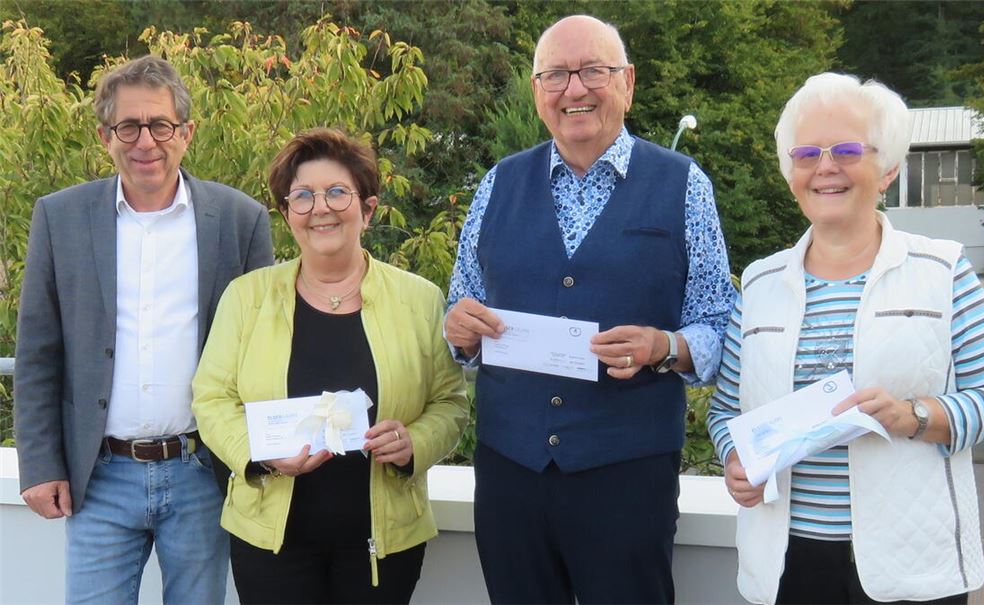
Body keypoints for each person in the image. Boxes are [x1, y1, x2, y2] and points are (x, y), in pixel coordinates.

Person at [445, 14, 735, 604]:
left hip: (628, 474)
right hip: (511, 471)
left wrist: (664, 347)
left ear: (628, 82)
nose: (573, 89)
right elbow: (462, 307)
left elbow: (717, 324)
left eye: (593, 71)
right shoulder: (498, 184)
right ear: (537, 92)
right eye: (555, 75)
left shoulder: (683, 184)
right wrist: (460, 329)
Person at [706, 72, 984, 605]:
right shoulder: (760, 284)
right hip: (789, 564)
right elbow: (725, 412)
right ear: (791, 173)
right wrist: (736, 459)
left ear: (888, 169)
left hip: (910, 565)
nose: (825, 167)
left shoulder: (942, 270)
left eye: (847, 150)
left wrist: (912, 415)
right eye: (807, 153)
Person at [13, 55, 274, 604]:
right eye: (129, 126)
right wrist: (39, 465)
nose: (146, 142)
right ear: (105, 136)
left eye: (160, 125)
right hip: (98, 478)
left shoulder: (240, 219)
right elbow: (38, 352)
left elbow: (264, 352)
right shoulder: (59, 217)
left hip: (202, 474)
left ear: (187, 133)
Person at [191, 127, 469, 605]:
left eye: (338, 192)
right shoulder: (246, 297)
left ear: (368, 208)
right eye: (302, 196)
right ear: (287, 214)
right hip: (270, 541)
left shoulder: (420, 300)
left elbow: (451, 403)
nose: (320, 208)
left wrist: (414, 442)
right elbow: (212, 399)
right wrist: (259, 453)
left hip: (383, 543)